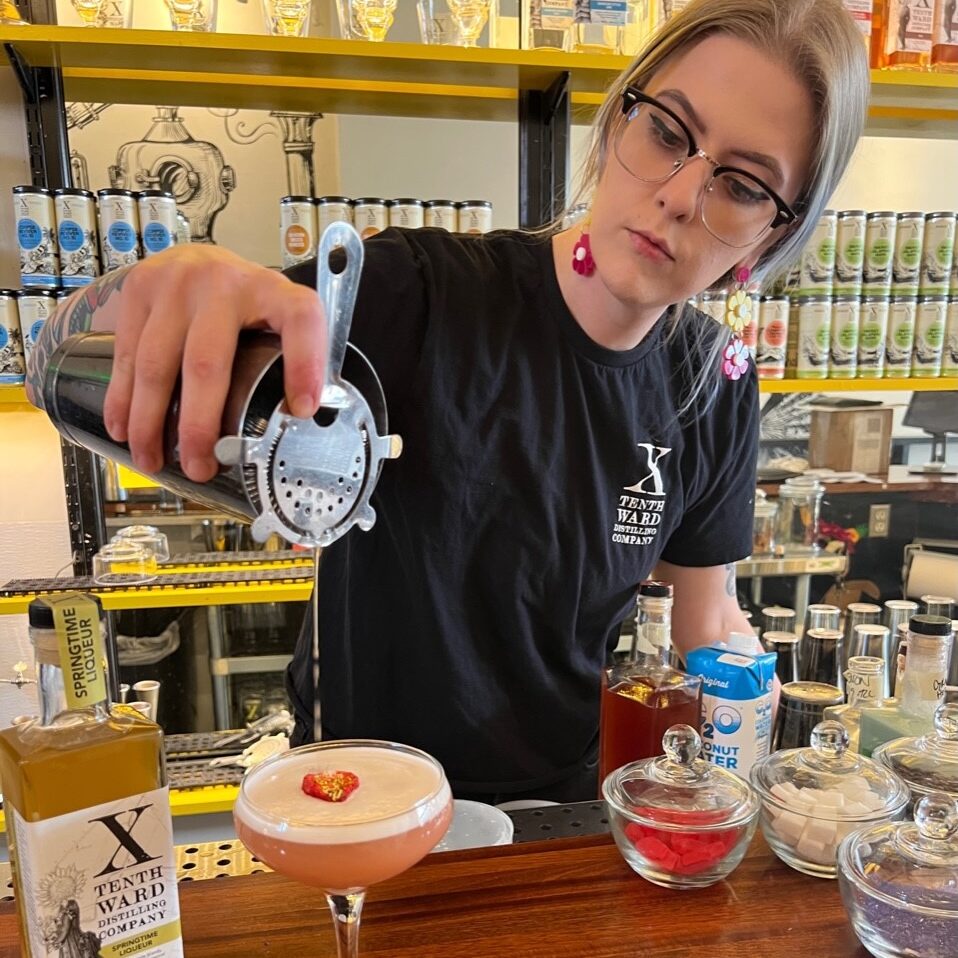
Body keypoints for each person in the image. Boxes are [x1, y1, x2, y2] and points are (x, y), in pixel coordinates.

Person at [26, 0, 869, 803]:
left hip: (569, 811)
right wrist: (151, 289)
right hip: (361, 800)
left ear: (775, 236)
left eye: (746, 185)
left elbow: (703, 612)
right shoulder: (409, 296)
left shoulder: (712, 379)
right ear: (619, 120)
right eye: (666, 131)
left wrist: (787, 751)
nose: (683, 194)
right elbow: (48, 360)